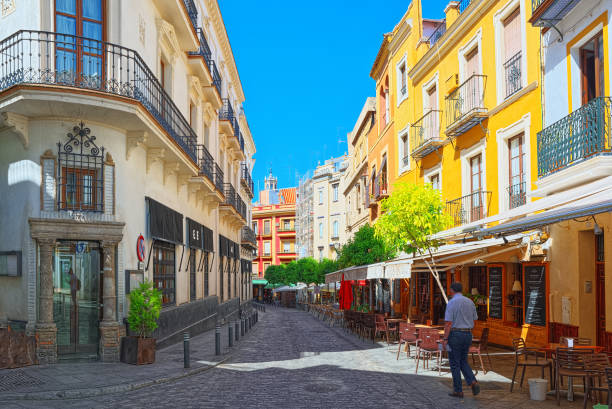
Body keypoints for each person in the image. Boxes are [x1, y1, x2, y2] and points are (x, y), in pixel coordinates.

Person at [444, 282, 480, 398]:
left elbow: (448, 323)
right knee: (463, 360)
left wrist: (445, 338)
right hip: (468, 334)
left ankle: (458, 390)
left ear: (452, 290)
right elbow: (475, 318)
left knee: (454, 363)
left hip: (455, 334)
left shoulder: (452, 302)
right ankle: (472, 382)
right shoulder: (470, 302)